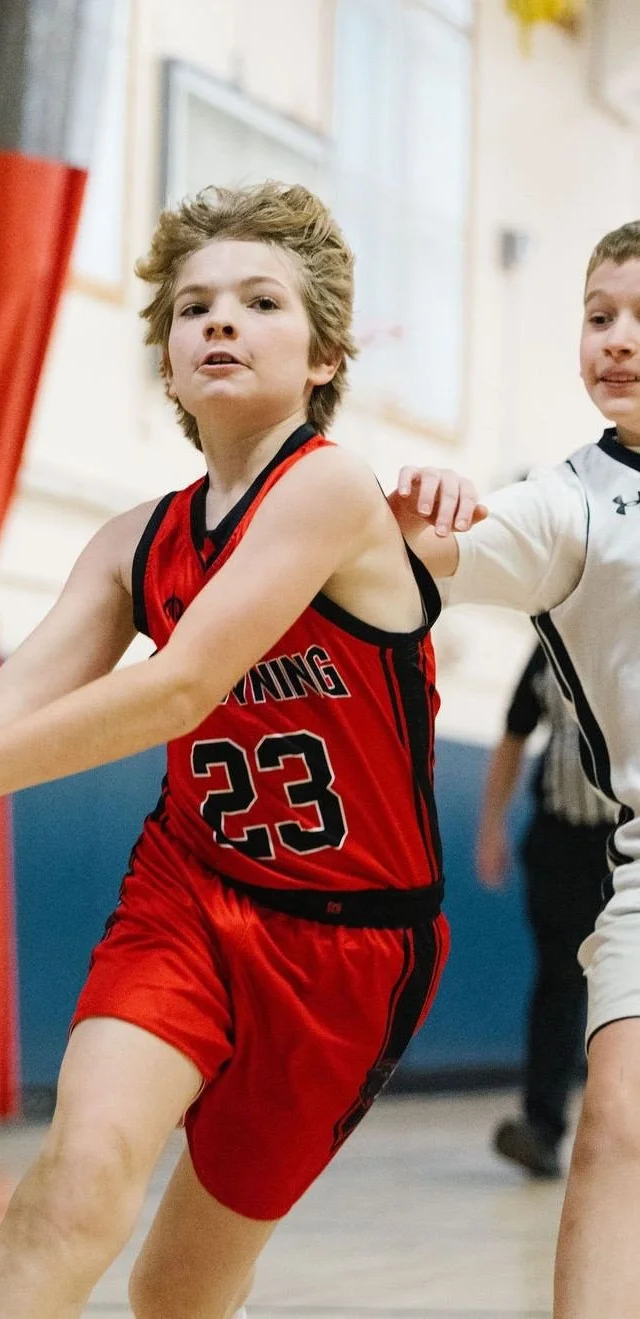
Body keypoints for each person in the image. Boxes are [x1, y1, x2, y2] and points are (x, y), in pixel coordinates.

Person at [0, 181, 450, 1319]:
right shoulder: (132, 541)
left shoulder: (333, 489)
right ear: (165, 361)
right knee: (79, 1180)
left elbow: (182, 684)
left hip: (351, 944)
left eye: (260, 301)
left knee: (176, 1290)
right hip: (188, 897)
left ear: (323, 356)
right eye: (194, 305)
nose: (219, 321)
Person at [389, 219, 640, 1318]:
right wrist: (420, 517)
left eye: (639, 317)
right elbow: (433, 552)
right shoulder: (570, 501)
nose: (617, 340)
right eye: (598, 316)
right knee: (619, 1124)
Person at [477, 644, 615, 1178]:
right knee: (559, 982)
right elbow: (515, 733)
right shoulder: (553, 645)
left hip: (628, 838)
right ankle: (542, 1130)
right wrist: (492, 824)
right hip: (559, 842)